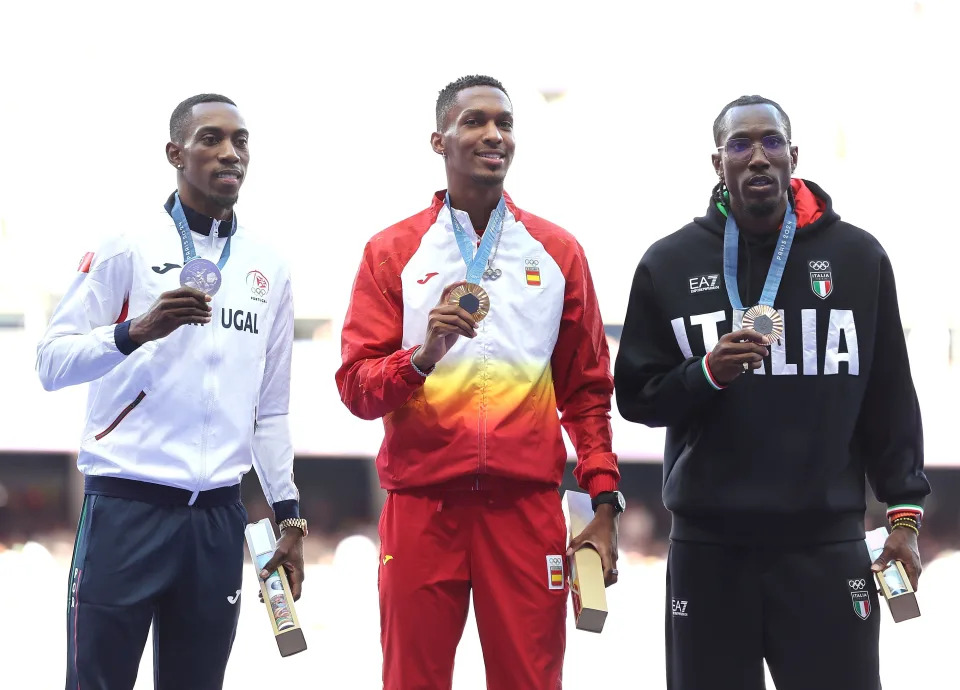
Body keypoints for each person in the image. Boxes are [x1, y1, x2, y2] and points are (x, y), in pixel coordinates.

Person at [614, 95, 931, 690]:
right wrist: (705, 373)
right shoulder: (670, 262)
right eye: (740, 144)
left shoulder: (858, 258)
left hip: (826, 544)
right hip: (709, 548)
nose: (757, 156)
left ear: (793, 156)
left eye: (770, 142)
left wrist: (905, 516)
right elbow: (636, 397)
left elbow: (889, 395)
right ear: (717, 163)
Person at [336, 74, 623, 689]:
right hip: (422, 509)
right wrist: (421, 357)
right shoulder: (392, 252)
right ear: (439, 141)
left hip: (525, 512)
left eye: (505, 124)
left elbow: (588, 392)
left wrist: (603, 500)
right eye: (474, 122)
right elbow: (357, 389)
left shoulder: (557, 252)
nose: (494, 134)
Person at [36, 93, 306, 690]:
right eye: (211, 139)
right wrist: (134, 333)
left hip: (216, 520)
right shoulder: (125, 246)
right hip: (124, 509)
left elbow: (272, 409)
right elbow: (51, 362)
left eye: (240, 142)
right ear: (175, 152)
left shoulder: (269, 267)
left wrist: (288, 516)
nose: (229, 152)